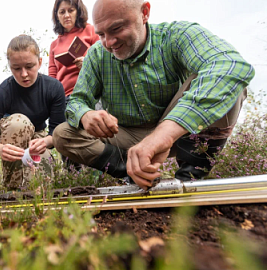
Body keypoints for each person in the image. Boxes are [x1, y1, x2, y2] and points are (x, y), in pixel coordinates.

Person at [53, 0, 255, 190]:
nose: (109, 42)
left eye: (116, 29)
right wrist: (86, 114)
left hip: (179, 131)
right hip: (127, 136)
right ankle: (137, 175)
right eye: (102, 34)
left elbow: (231, 66)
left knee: (226, 86)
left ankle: (190, 177)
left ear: (144, 13)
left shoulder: (176, 36)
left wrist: (164, 134)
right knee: (63, 134)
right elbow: (76, 100)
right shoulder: (96, 54)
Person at [0, 35, 66, 190]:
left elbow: (58, 133)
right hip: (12, 136)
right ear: (9, 66)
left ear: (40, 62)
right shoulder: (3, 92)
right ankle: (12, 188)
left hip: (39, 137)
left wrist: (44, 142)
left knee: (42, 184)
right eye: (17, 68)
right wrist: (1, 149)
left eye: (29, 66)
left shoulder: (54, 88)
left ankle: (32, 193)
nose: (24, 74)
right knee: (18, 123)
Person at [49, 0, 100, 98]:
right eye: (62, 12)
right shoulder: (54, 45)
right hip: (64, 96)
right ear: (57, 16)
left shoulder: (91, 31)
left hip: (90, 91)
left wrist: (87, 64)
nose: (66, 15)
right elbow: (52, 77)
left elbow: (104, 60)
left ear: (78, 11)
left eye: (71, 10)